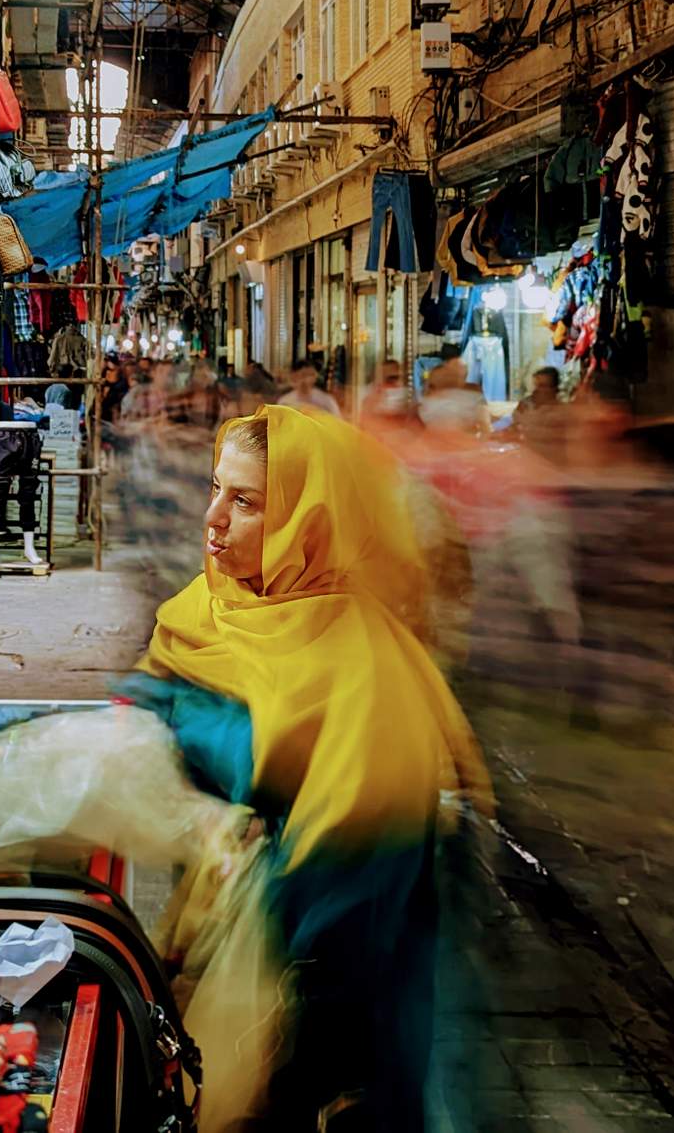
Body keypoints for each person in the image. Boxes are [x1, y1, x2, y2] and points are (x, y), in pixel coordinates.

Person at [123, 407, 493, 1130]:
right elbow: (158, 702)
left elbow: (339, 916)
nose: (214, 518)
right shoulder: (210, 611)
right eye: (216, 489)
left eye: (247, 501)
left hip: (327, 1041)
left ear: (309, 522)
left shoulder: (367, 677)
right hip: (227, 984)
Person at [276, 358, 342, 416]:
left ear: (315, 377)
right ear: (294, 377)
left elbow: (338, 421)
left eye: (310, 375)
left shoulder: (327, 401)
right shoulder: (285, 402)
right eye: (303, 375)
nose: (306, 380)